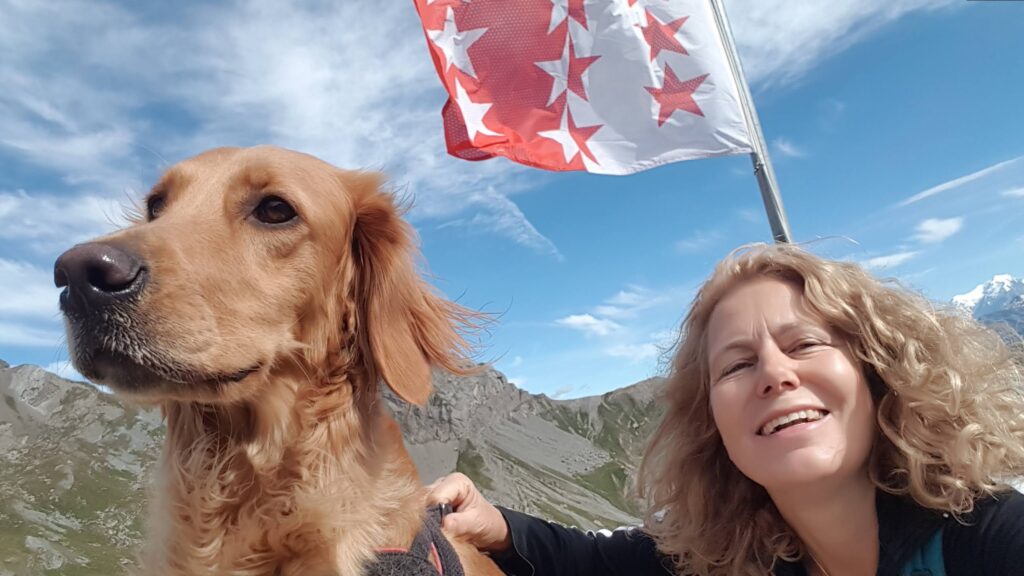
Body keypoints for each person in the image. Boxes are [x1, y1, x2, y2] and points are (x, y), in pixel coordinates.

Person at [426, 243, 1024, 576]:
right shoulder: (735, 557)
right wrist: (497, 526)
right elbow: (594, 563)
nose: (775, 374)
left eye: (804, 345)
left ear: (875, 372)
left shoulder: (990, 539)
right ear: (712, 422)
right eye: (737, 365)